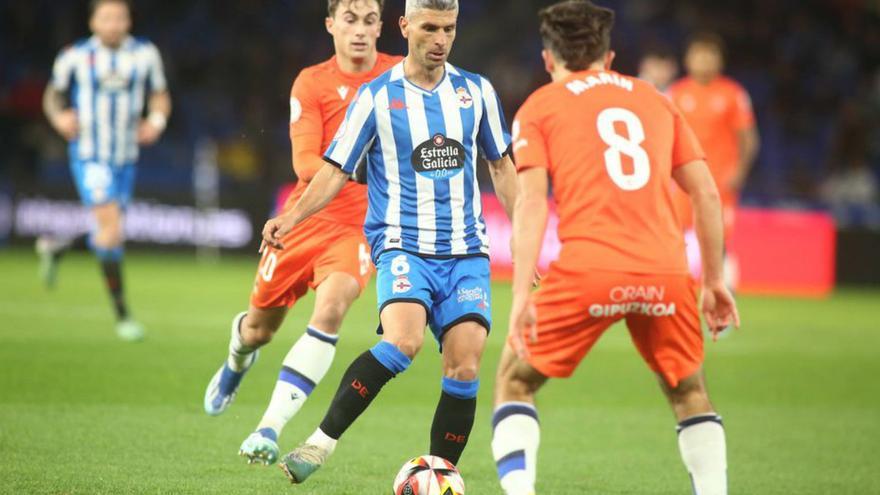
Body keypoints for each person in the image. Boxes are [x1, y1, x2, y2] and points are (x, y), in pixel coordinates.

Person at [260, 0, 518, 484]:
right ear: (404, 26)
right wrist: (291, 216)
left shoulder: (476, 92)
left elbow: (502, 166)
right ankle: (319, 443)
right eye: (429, 28)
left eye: (449, 29)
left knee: (464, 368)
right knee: (404, 340)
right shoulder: (377, 96)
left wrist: (524, 233)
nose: (440, 39)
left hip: (466, 250)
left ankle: (439, 479)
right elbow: (335, 169)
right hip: (403, 243)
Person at [491, 2, 739, 494]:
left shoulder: (539, 106)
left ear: (547, 59)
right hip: (666, 270)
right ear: (609, 56)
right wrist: (713, 281)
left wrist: (521, 295)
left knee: (514, 382)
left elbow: (533, 204)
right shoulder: (656, 99)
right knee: (689, 391)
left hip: (590, 268)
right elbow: (707, 193)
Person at [201, 0, 401, 466]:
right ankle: (237, 358)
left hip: (358, 228)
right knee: (258, 331)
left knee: (331, 310)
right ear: (331, 24)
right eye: (349, 20)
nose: (359, 31)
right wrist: (361, 173)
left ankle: (268, 427)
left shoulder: (399, 77)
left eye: (369, 21)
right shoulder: (313, 81)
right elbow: (304, 163)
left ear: (382, 27)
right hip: (306, 218)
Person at [39, 0, 171, 341]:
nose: (113, 23)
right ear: (93, 22)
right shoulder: (76, 55)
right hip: (89, 155)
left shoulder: (145, 53)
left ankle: (57, 248)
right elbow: (52, 95)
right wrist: (59, 117)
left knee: (108, 235)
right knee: (112, 233)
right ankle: (123, 317)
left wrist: (156, 121)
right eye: (106, 17)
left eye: (119, 17)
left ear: (128, 21)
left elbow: (159, 95)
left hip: (125, 158)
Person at [668, 33, 759, 284]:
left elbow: (749, 139)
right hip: (682, 181)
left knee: (717, 239)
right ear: (688, 59)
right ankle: (677, 293)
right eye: (698, 55)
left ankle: (724, 295)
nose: (704, 61)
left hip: (718, 181)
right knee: (676, 238)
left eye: (709, 56)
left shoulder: (732, 94)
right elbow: (664, 137)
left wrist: (739, 171)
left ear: (720, 60)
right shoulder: (676, 92)